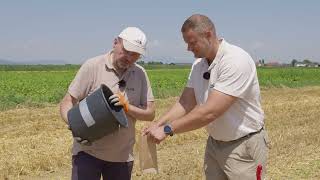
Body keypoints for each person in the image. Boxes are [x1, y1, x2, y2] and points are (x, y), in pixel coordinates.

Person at [144, 14, 269, 179]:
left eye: (192, 42)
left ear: (209, 34)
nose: (188, 48)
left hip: (243, 147)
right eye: (186, 43)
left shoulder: (235, 60)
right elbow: (185, 102)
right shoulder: (199, 65)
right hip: (214, 144)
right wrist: (158, 123)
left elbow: (210, 112)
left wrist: (167, 129)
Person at [60, 27, 155, 180]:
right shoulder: (93, 66)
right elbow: (67, 101)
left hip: (122, 157)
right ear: (115, 42)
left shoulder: (140, 74)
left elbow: (150, 114)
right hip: (88, 153)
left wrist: (127, 107)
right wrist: (73, 123)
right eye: (126, 51)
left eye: (135, 55)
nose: (129, 58)